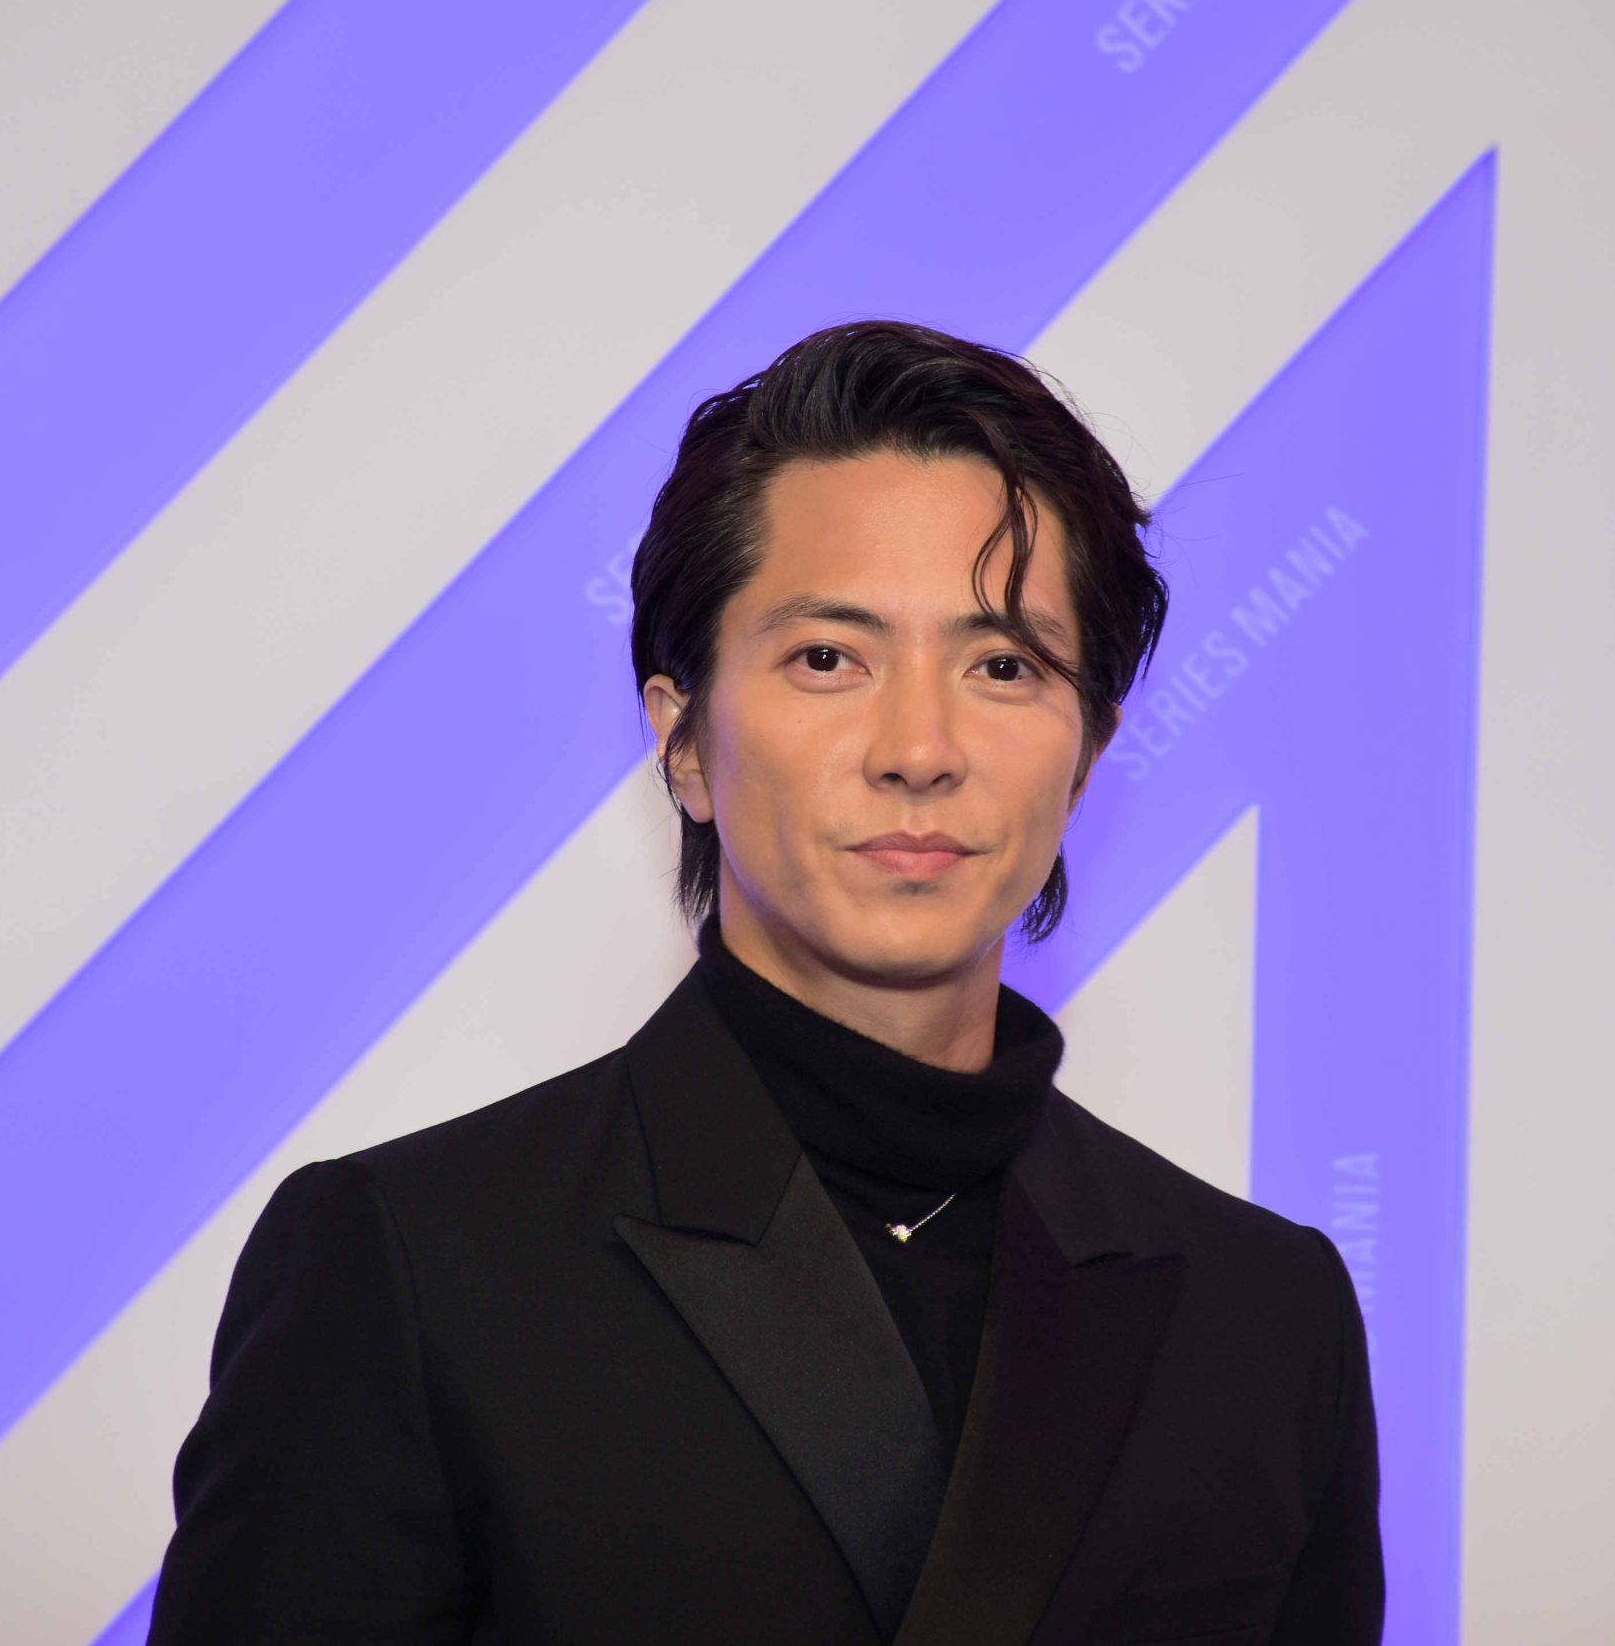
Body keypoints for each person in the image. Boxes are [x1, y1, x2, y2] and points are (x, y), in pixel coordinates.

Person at [148, 321, 1382, 1643]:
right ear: (683, 741)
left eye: (1003, 666)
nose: (920, 748)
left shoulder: (1268, 1313)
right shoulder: (410, 1267)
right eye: (828, 659)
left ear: (1086, 754)